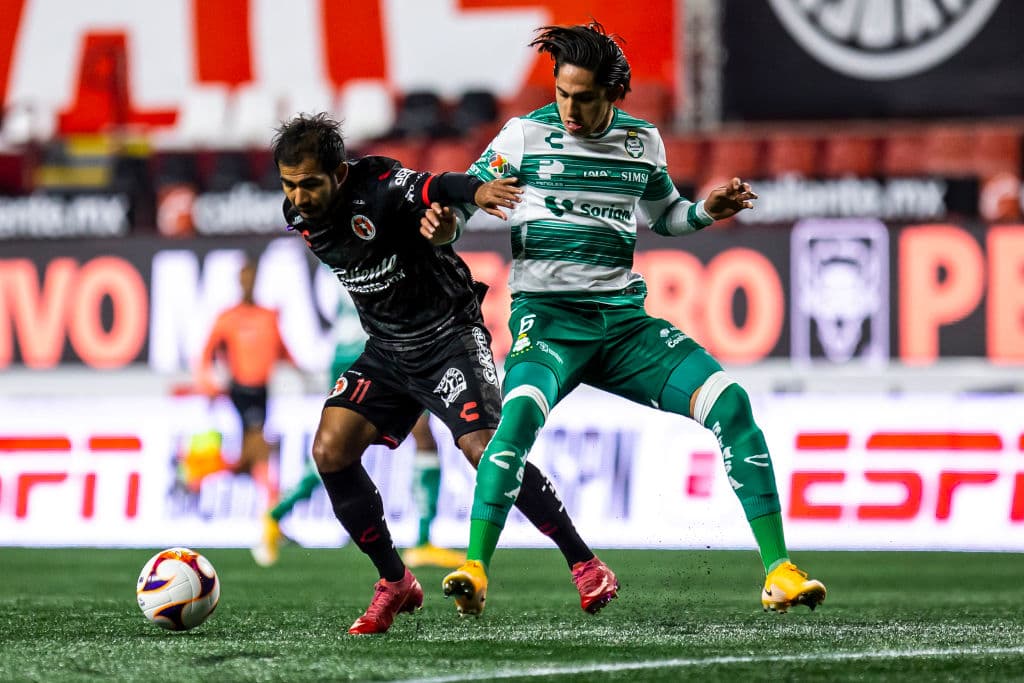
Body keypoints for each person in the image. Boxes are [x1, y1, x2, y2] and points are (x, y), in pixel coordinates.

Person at [428, 21, 826, 617]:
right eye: (562, 93)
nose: (569, 108)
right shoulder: (522, 136)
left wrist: (705, 212)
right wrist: (445, 225)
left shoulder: (643, 142)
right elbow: (463, 202)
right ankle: (476, 567)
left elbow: (666, 216)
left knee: (732, 404)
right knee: (511, 426)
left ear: (613, 93)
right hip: (549, 323)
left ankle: (779, 571)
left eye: (584, 97)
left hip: (622, 325)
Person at [272, 112, 619, 635]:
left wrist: (474, 196)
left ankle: (585, 563)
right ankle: (394, 581)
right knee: (330, 451)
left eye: (309, 184)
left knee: (486, 450)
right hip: (387, 349)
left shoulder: (380, 185)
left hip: (449, 337)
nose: (298, 197)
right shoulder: (297, 214)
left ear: (340, 174)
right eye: (289, 185)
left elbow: (438, 187)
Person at [252, 292, 465, 570]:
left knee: (349, 447)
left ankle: (276, 515)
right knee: (352, 446)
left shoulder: (349, 252)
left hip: (358, 347)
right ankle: (276, 514)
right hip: (373, 350)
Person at [196, 260, 296, 504]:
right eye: (244, 278)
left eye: (252, 278)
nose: (248, 283)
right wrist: (208, 384)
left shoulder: (267, 316)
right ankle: (273, 512)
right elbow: (206, 353)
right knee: (259, 448)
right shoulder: (228, 318)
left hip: (263, 392)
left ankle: (202, 474)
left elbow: (282, 350)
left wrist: (302, 373)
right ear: (239, 281)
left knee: (249, 455)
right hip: (240, 391)